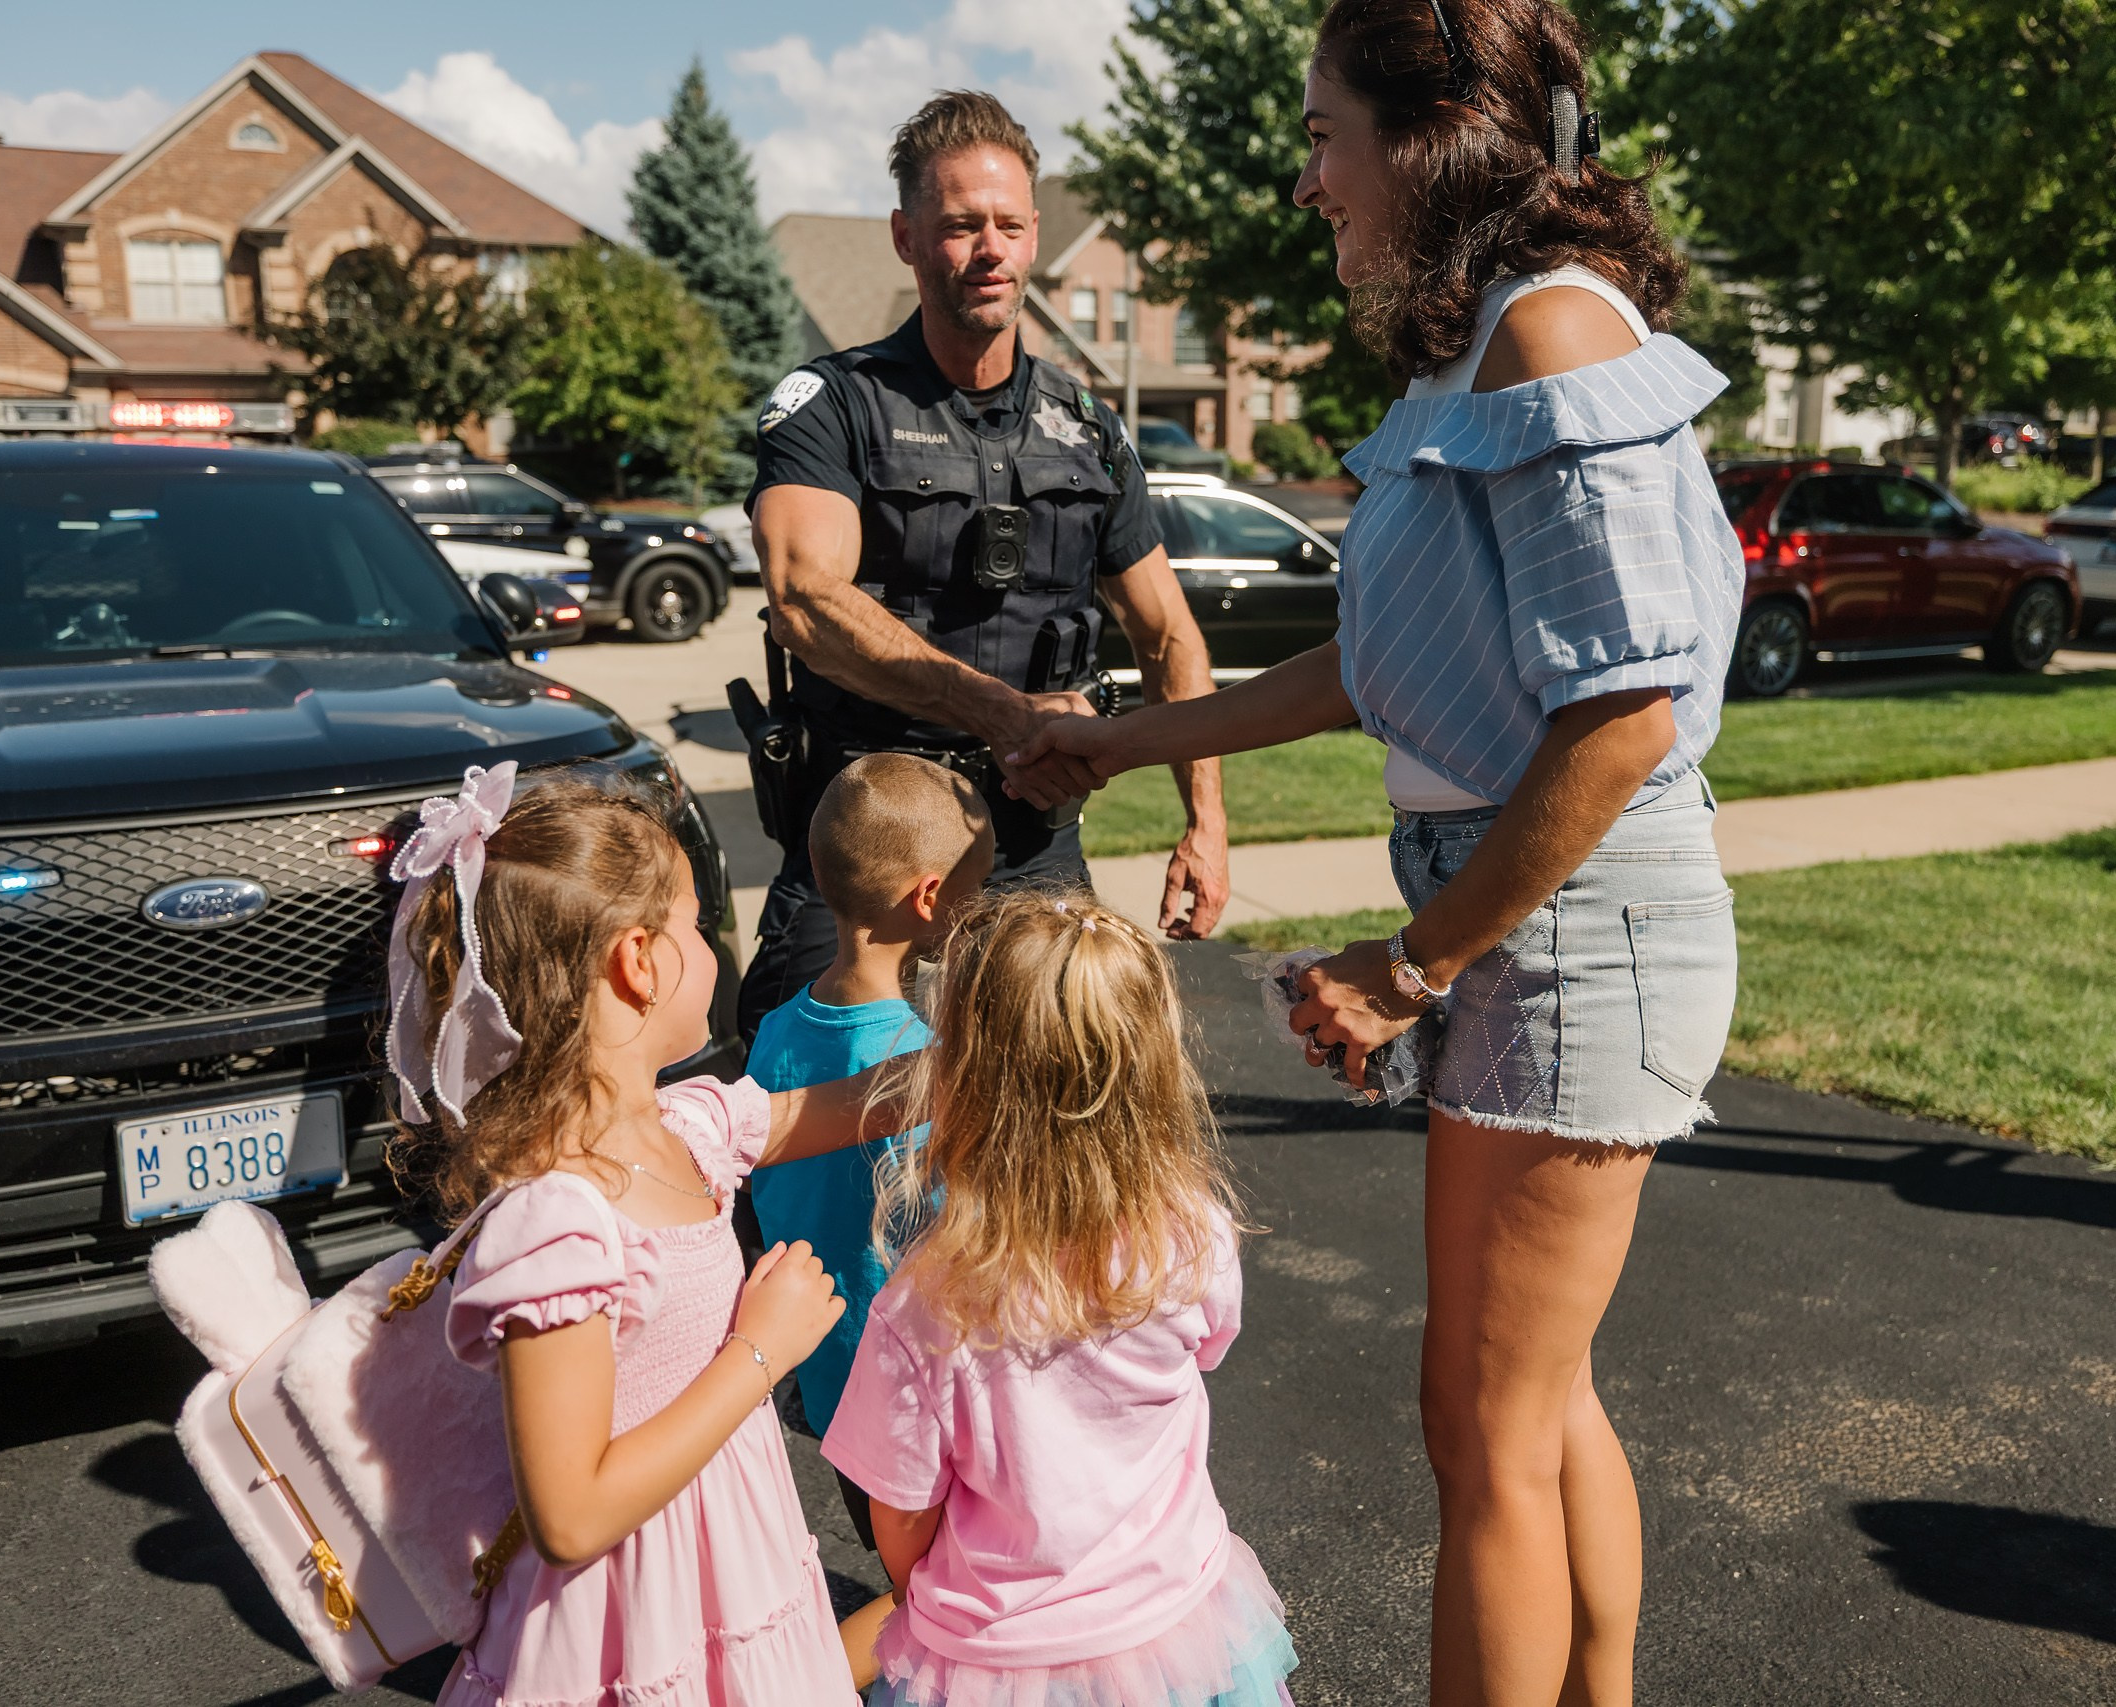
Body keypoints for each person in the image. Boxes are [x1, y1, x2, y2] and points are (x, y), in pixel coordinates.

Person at [1010, 1, 1745, 1700]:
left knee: (1483, 1421)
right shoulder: (1473, 347)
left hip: (1575, 928)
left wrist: (1411, 966)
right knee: (1533, 1404)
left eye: (1328, 130)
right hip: (1532, 923)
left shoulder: (1554, 337)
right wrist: (1128, 740)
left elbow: (1624, 713)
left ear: (1428, 137)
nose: (1307, 176)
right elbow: (1381, 666)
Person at [381, 763, 913, 1707]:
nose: (712, 947)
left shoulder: (688, 1128)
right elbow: (572, 1513)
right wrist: (762, 1349)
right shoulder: (557, 1224)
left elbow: (852, 1105)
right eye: (699, 923)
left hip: (732, 1575)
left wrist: (1025, 1035)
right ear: (638, 959)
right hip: (627, 1630)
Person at [737, 88, 1231, 1043]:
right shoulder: (831, 405)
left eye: (1008, 224)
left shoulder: (1087, 425)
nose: (989, 248)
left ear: (1036, 234)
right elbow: (804, 600)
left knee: (1068, 1116)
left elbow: (1167, 630)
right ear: (906, 235)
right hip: (869, 836)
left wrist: (1205, 823)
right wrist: (1004, 716)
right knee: (800, 1120)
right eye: (961, 225)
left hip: (1032, 842)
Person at [823, 889, 1299, 1707]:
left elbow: (899, 1518)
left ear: (961, 1076)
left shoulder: (923, 1308)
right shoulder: (1189, 1236)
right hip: (1177, 1624)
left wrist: (924, 1588)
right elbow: (1206, 1352)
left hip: (997, 1658)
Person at [744, 753, 994, 1560]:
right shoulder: (932, 1067)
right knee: (950, 1593)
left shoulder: (776, 1031)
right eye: (974, 887)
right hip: (923, 1395)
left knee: (894, 1569)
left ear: (816, 867)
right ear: (929, 899)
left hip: (824, 1373)